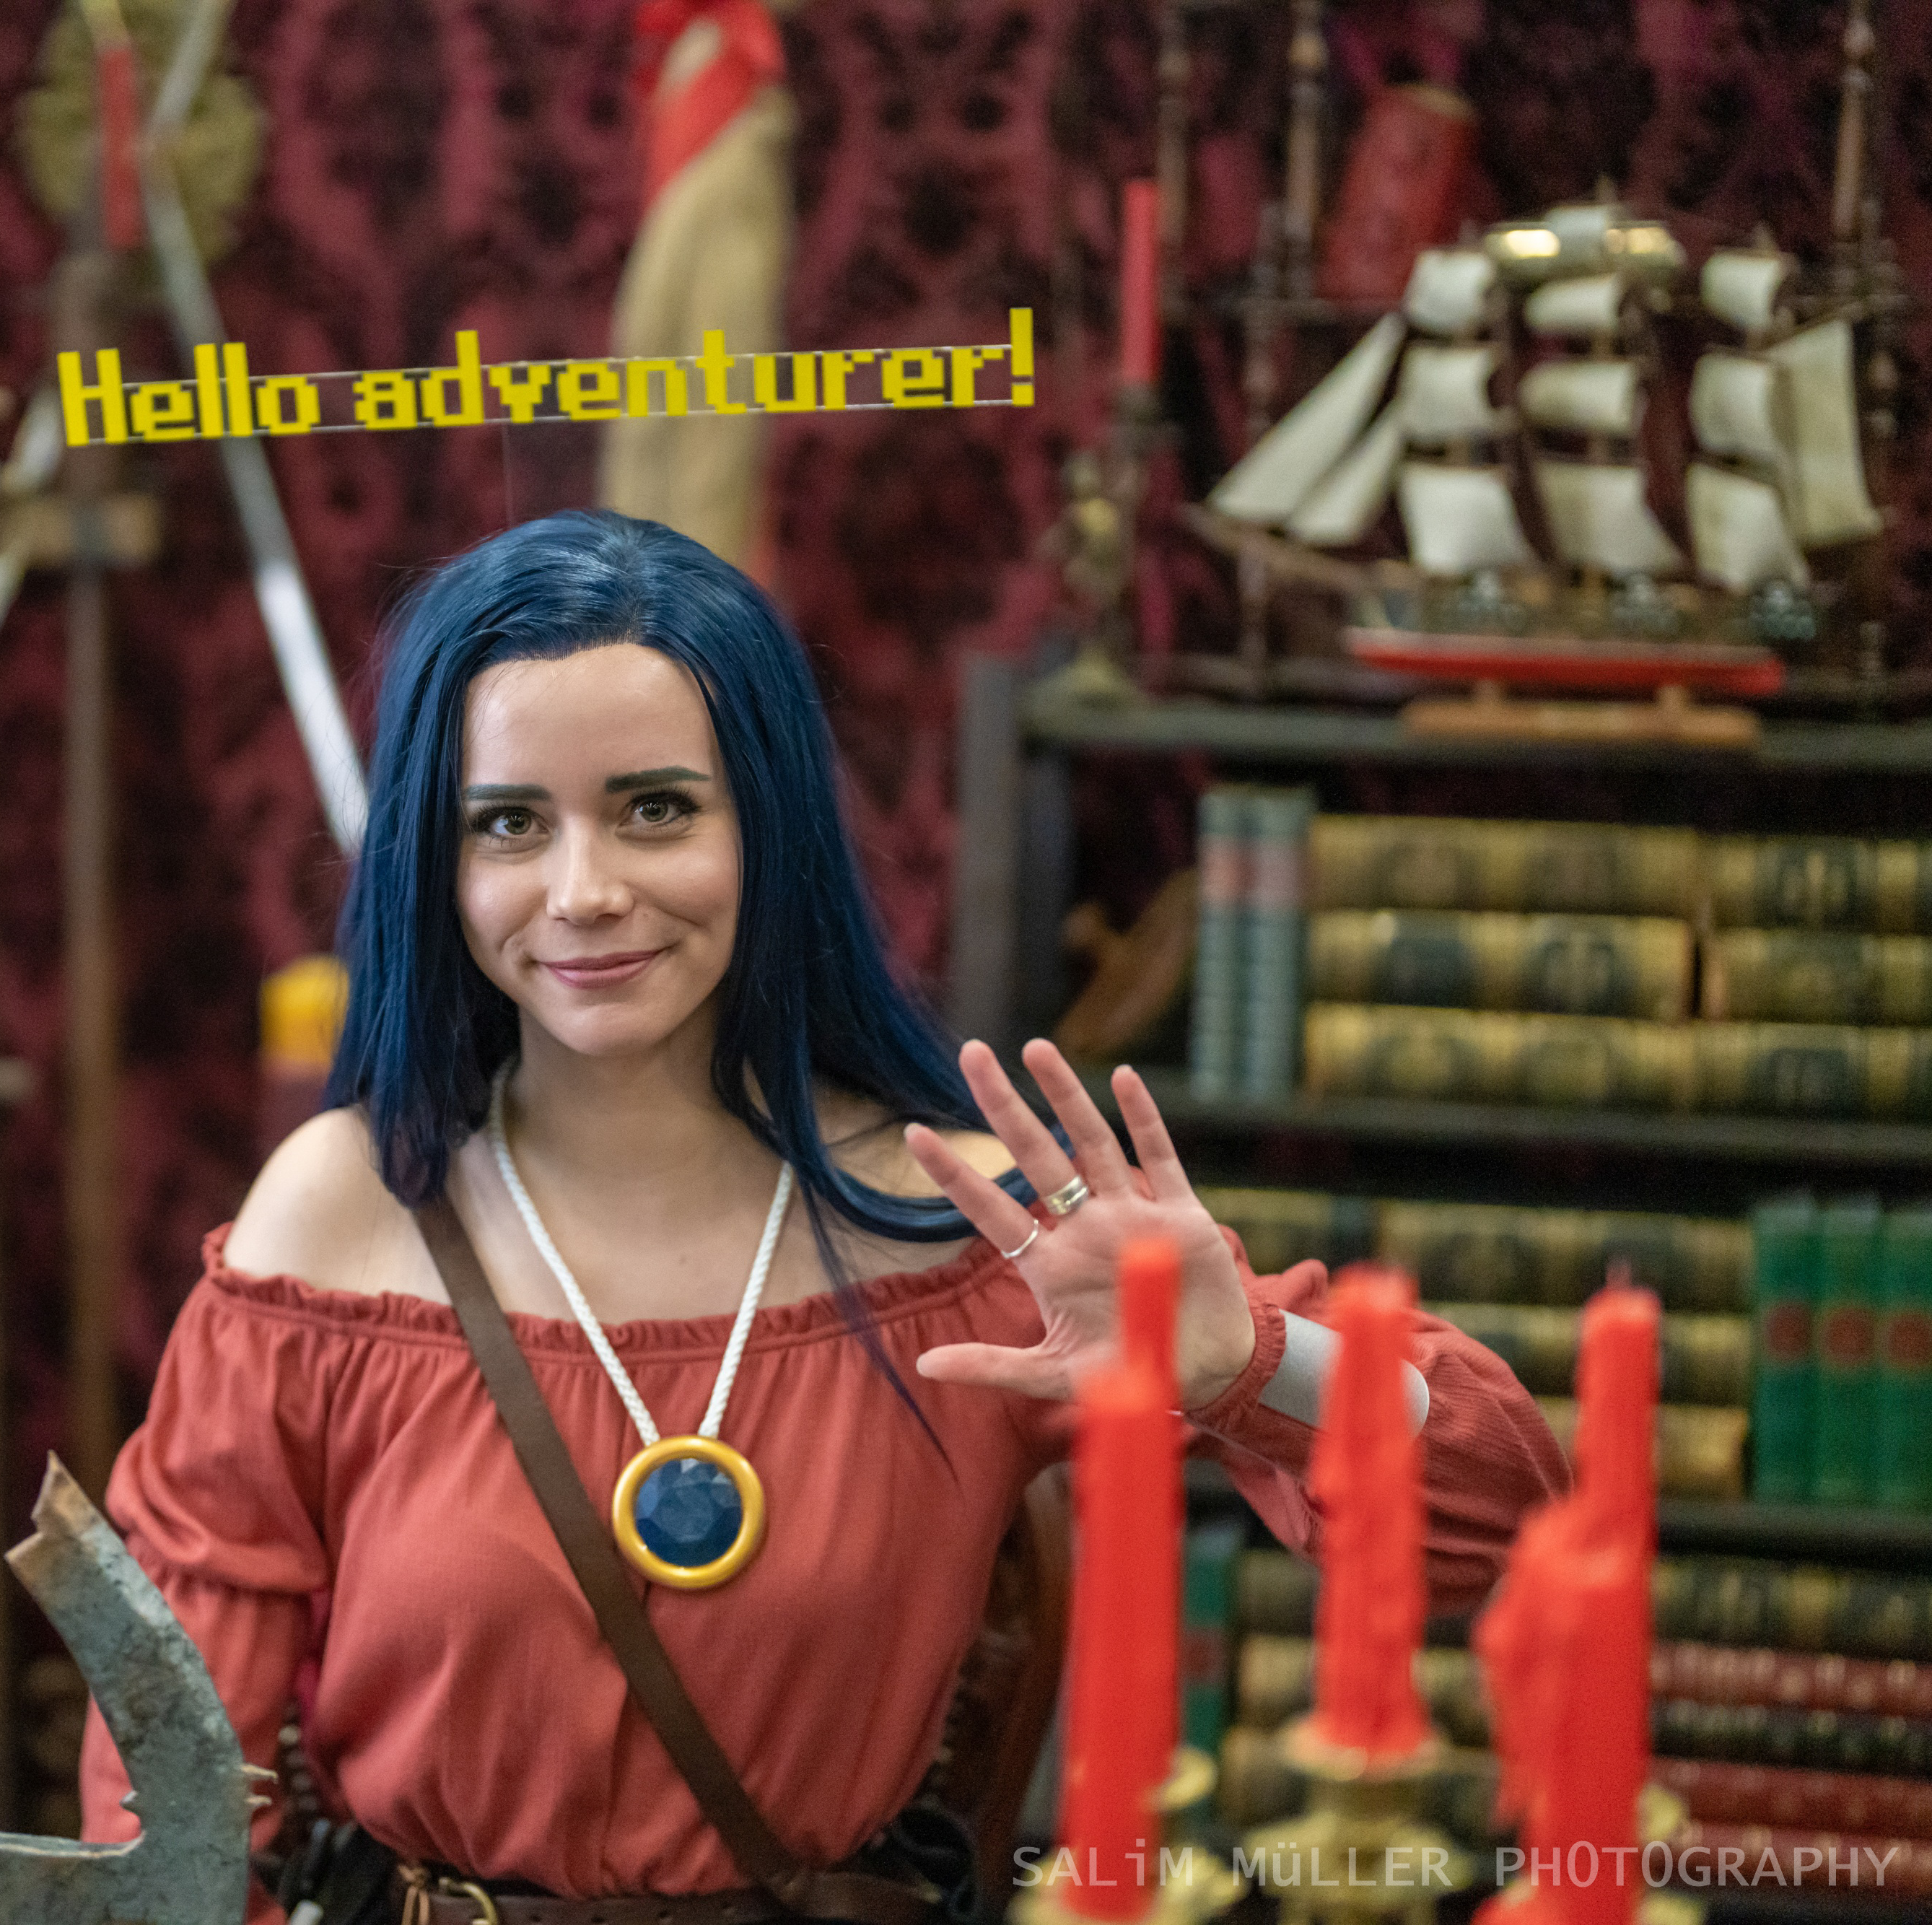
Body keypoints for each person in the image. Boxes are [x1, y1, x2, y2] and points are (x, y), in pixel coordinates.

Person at [79, 511, 1567, 1919]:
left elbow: (1496, 1511)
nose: (583, 890)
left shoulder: (965, 1222)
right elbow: (166, 1768)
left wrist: (1249, 1359)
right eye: (510, 823)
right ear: (437, 861)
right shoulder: (340, 1217)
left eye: (655, 810)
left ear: (770, 826)